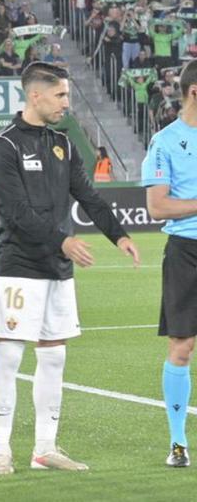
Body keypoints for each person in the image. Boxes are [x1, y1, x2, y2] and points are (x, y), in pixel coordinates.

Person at [0, 62, 141, 476]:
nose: (66, 103)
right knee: (9, 355)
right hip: (19, 266)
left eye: (67, 95)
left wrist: (119, 235)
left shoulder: (62, 143)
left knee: (54, 359)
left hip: (58, 268)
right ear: (35, 95)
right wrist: (63, 240)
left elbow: (88, 195)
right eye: (60, 96)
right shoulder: (4, 146)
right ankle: (2, 450)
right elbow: (16, 213)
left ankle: (44, 448)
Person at [142, 61, 197, 467]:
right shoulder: (165, 142)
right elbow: (158, 206)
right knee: (182, 347)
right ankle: (178, 443)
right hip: (186, 251)